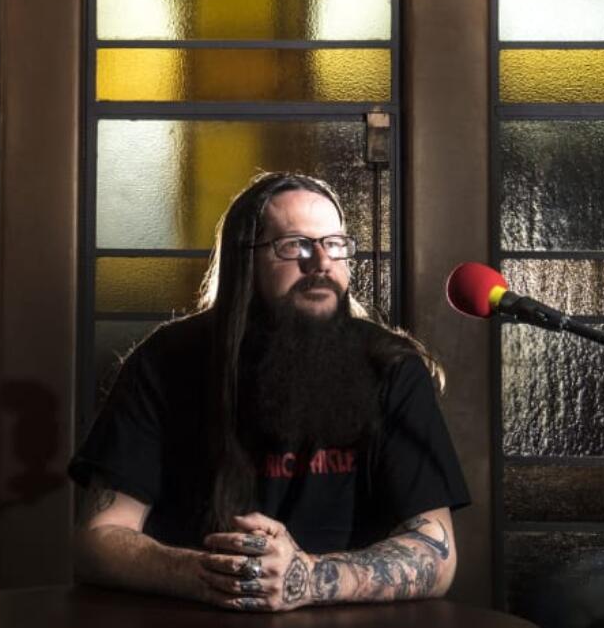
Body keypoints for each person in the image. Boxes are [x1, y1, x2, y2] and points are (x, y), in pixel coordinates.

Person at [69, 172, 470, 612]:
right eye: (294, 244)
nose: (320, 262)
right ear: (246, 262)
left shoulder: (391, 367)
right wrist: (213, 575)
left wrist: (308, 578)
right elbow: (99, 538)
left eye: (335, 244)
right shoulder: (165, 360)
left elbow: (435, 548)